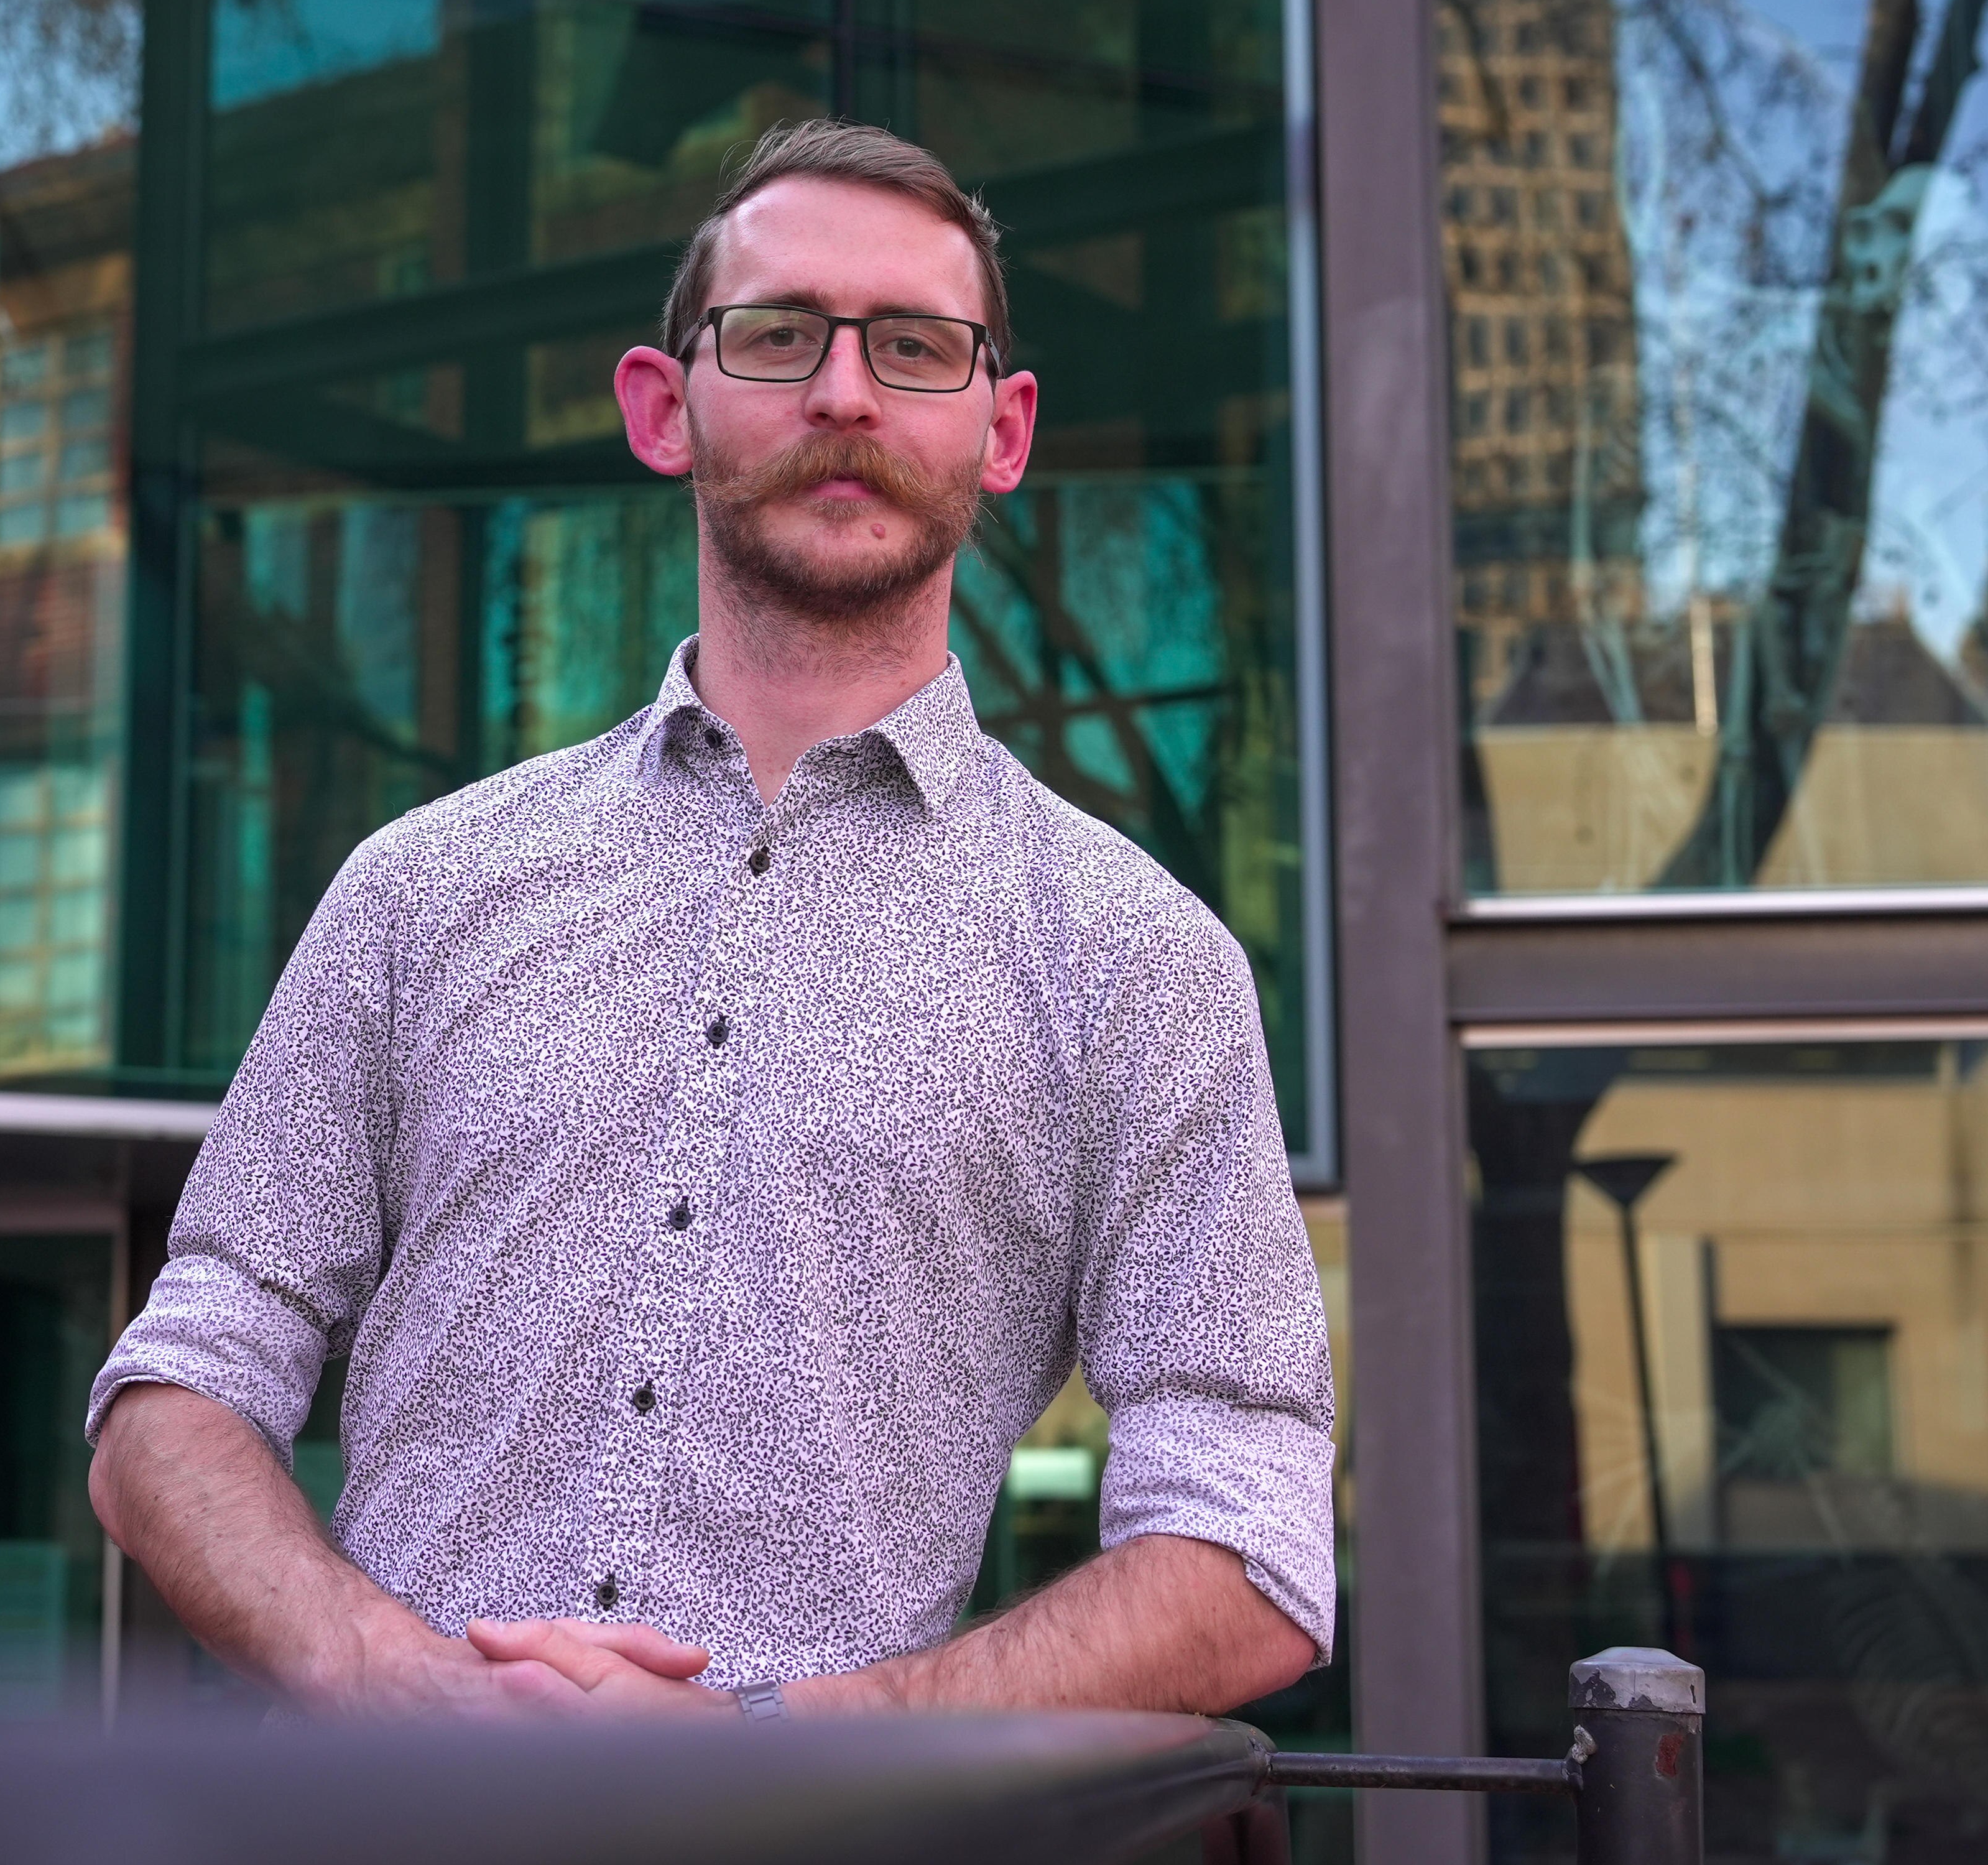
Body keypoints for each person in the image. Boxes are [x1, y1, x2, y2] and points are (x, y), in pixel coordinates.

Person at [85, 118, 1333, 1721]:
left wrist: (804, 1747)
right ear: (663, 407)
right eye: (779, 334)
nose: (845, 393)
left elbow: (1252, 1543)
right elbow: (175, 1392)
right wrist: (386, 1677)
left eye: (914, 347)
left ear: (1004, 430)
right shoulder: (421, 888)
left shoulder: (1134, 962)